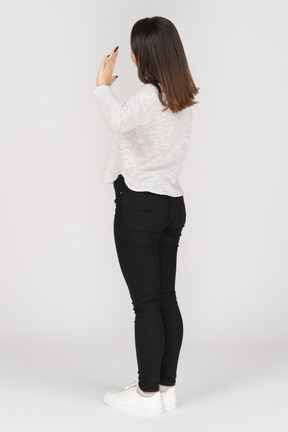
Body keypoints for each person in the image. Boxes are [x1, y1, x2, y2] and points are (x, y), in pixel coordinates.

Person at [94, 16, 199, 415]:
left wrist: (102, 87)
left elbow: (117, 118)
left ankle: (146, 395)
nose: (132, 55)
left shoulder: (149, 96)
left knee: (146, 305)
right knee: (166, 299)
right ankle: (166, 388)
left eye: (135, 49)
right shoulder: (181, 96)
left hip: (140, 206)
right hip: (171, 205)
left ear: (145, 56)